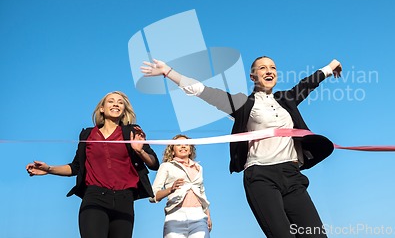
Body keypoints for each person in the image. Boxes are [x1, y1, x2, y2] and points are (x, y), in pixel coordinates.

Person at [141, 56, 342, 238]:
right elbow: (203, 91)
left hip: (292, 175)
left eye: (273, 67)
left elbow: (307, 84)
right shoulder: (243, 103)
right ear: (253, 76)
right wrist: (169, 72)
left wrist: (330, 66)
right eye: (262, 68)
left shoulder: (286, 99)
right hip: (261, 176)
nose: (269, 71)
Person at [26, 91, 160, 238]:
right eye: (111, 101)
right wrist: (48, 169)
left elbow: (154, 163)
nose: (116, 104)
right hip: (95, 198)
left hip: (125, 200)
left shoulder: (132, 132)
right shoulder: (88, 135)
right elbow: (75, 167)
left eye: (120, 102)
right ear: (102, 108)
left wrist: (140, 151)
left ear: (124, 110)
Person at [150, 134, 212, 238]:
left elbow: (202, 193)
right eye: (178, 144)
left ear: (190, 150)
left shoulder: (199, 168)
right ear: (172, 150)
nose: (183, 146)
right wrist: (170, 189)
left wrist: (208, 215)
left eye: (186, 144)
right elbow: (153, 196)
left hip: (198, 216)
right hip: (175, 215)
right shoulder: (166, 166)